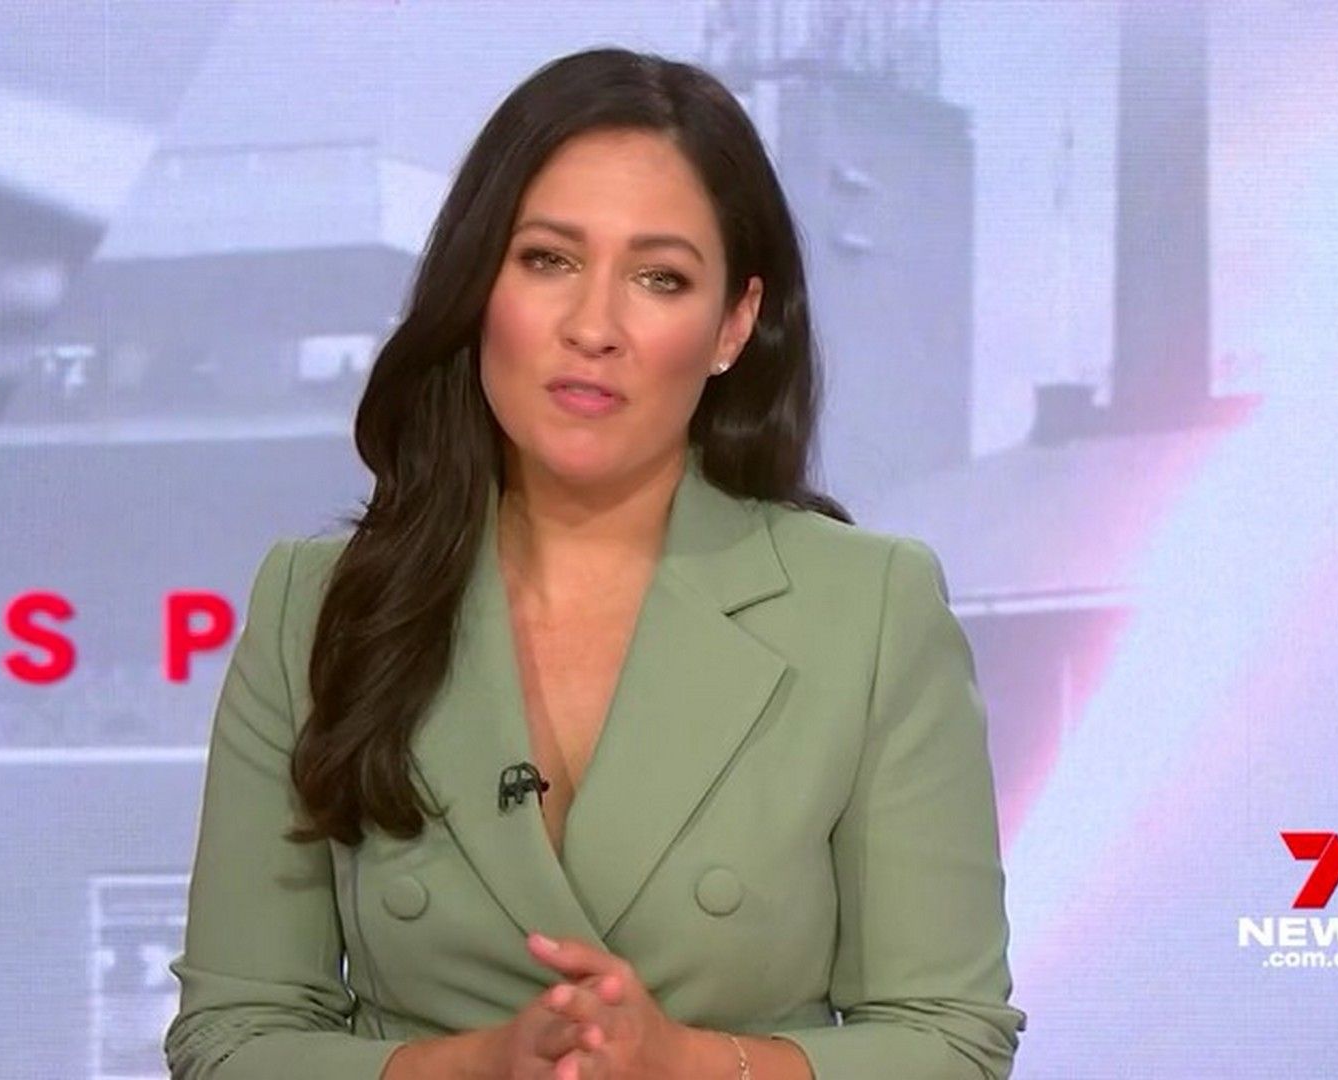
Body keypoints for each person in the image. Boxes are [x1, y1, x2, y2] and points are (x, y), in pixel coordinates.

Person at [164, 46, 1023, 1080]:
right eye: (548, 261)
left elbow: (950, 1040)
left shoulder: (871, 609)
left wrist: (684, 1063)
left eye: (660, 278)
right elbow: (232, 1039)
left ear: (733, 325)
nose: (593, 328)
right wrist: (473, 1069)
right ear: (478, 285)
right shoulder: (317, 605)